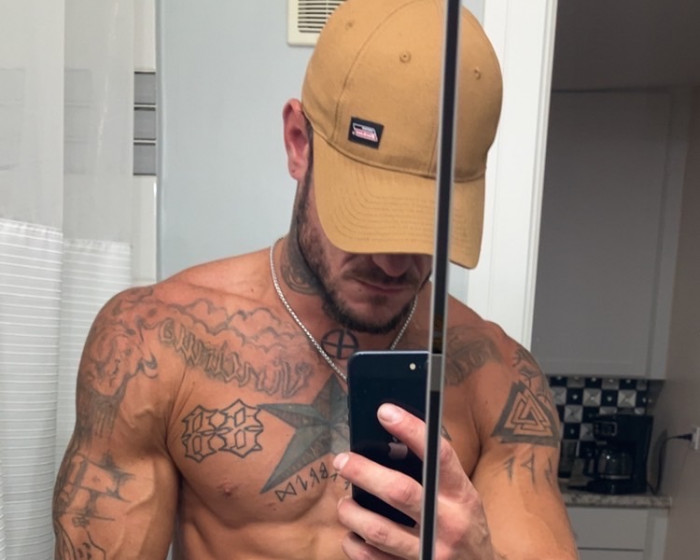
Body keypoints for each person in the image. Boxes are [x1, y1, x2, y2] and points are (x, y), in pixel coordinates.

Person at [52, 0, 578, 558]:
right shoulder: (154, 341)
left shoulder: (499, 378)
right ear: (298, 143)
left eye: (426, 229)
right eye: (368, 219)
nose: (395, 265)